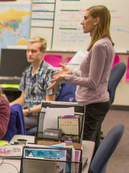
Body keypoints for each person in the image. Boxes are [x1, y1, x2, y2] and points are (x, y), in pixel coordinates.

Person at [49, 5, 115, 148]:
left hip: (93, 105)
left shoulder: (99, 46)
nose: (82, 22)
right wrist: (71, 72)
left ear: (96, 20)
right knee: (92, 148)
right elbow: (90, 75)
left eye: (86, 18)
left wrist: (66, 77)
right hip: (95, 103)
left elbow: (92, 82)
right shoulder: (104, 43)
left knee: (82, 148)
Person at [10, 37, 60, 132]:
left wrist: (28, 111)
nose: (29, 54)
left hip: (39, 115)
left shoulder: (50, 72)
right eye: (28, 51)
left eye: (33, 51)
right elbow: (22, 99)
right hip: (26, 112)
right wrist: (6, 107)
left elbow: (49, 103)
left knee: (11, 121)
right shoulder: (27, 71)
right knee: (4, 117)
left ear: (43, 52)